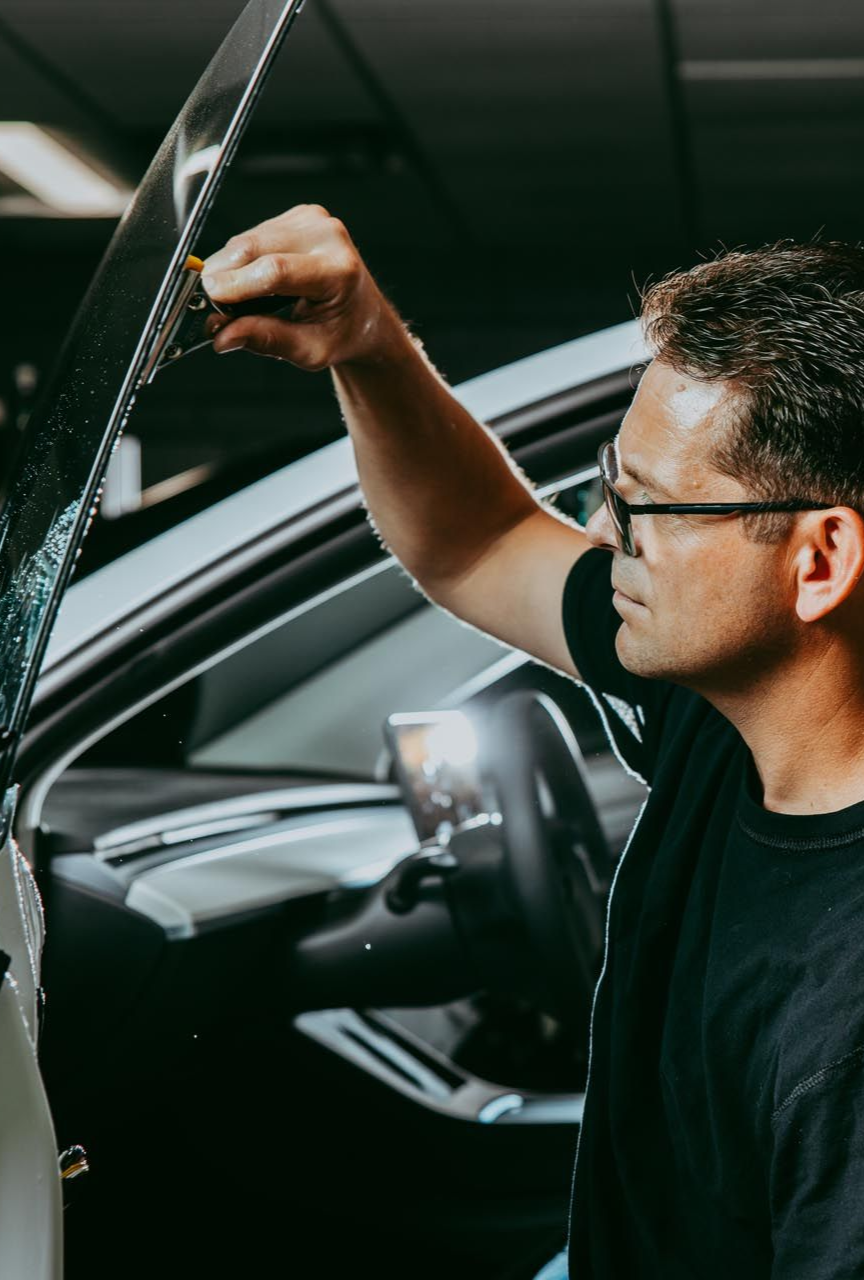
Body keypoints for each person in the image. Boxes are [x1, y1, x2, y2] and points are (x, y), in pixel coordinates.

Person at [201, 206, 864, 1278]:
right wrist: (367, 342)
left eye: (645, 506)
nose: (604, 534)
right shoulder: (723, 710)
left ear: (818, 559)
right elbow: (476, 537)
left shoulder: (848, 1024)